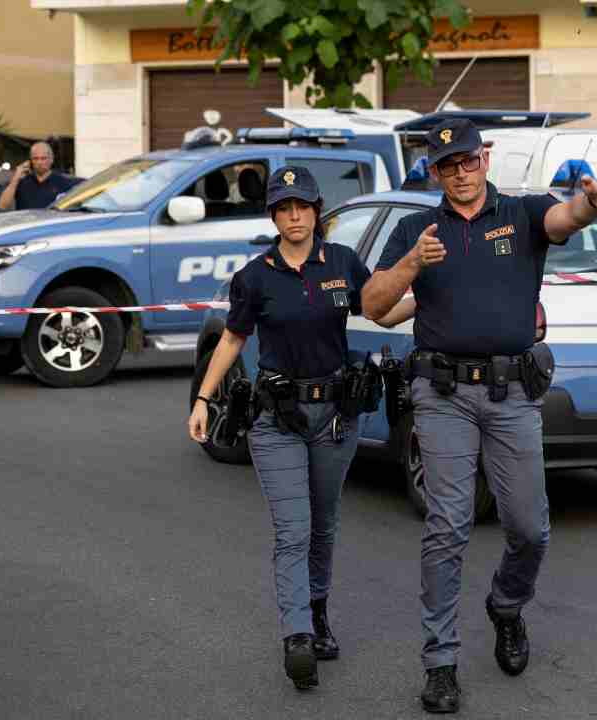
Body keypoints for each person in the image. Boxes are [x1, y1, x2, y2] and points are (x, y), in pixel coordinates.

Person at [361, 118, 597, 714]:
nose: (461, 173)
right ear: (434, 171)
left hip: (511, 395)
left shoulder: (521, 214)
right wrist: (412, 266)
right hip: (442, 394)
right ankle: (439, 662)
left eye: (469, 161)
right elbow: (375, 305)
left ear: (485, 159)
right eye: (448, 166)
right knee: (448, 526)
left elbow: (566, 218)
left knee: (529, 527)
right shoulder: (416, 228)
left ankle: (506, 605)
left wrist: (591, 204)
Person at [187, 165, 411, 690]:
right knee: (293, 530)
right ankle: (296, 636)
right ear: (273, 214)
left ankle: (317, 612)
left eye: (302, 207)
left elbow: (381, 312)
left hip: (335, 415)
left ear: (316, 212)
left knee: (324, 523)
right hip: (277, 418)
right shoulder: (256, 276)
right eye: (284, 208)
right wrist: (202, 399)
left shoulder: (342, 263)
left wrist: (431, 296)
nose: (294, 216)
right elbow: (233, 340)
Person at [0, 141, 76, 210]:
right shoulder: (22, 181)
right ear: (31, 161)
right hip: (26, 224)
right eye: (36, 158)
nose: (39, 162)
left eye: (43, 158)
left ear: (51, 159)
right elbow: (3, 206)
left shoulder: (62, 182)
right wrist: (16, 178)